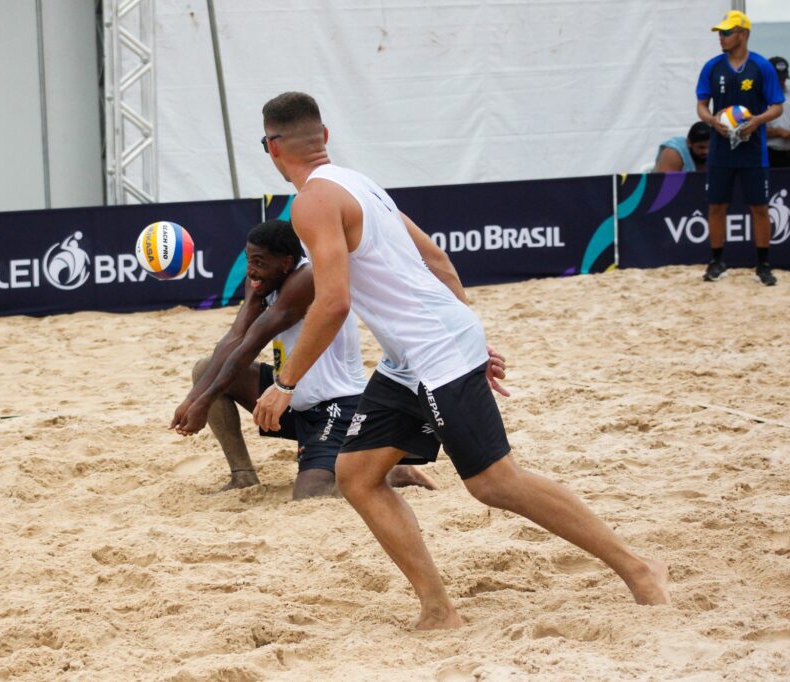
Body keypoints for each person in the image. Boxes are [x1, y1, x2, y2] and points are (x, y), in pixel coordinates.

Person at [252, 91, 670, 629]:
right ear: (325, 137)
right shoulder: (360, 183)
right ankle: (438, 609)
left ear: (271, 147)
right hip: (420, 353)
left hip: (434, 351)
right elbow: (438, 260)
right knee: (356, 473)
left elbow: (333, 303)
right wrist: (469, 333)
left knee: (495, 482)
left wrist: (285, 382)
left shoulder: (310, 203)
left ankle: (640, 570)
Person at [172, 219, 448, 499]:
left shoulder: (306, 280)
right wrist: (195, 397)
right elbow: (235, 337)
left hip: (337, 405)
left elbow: (251, 345)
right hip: (291, 399)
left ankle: (394, 472)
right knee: (204, 368)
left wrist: (204, 401)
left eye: (259, 262)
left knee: (310, 495)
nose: (251, 270)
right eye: (248, 260)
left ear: (286, 262)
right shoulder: (262, 280)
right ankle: (242, 476)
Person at [696, 10, 783, 286]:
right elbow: (701, 105)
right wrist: (712, 120)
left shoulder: (761, 67)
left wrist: (757, 121)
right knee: (716, 206)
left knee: (759, 207)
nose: (721, 38)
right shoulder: (712, 67)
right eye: (720, 33)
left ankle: (763, 265)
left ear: (743, 34)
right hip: (720, 148)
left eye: (726, 32)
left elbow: (777, 106)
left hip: (752, 148)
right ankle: (717, 261)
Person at [765, 56, 790, 169]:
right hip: (769, 154)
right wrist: (777, 132)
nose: (781, 81)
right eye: (778, 78)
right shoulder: (757, 97)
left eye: (783, 78)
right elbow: (749, 130)